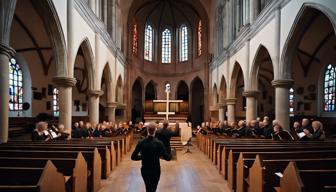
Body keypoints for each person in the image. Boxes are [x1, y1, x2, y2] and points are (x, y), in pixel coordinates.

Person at [131, 123, 171, 192]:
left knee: (148, 188)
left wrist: (143, 157)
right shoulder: (159, 143)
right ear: (155, 130)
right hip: (155, 170)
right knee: (153, 189)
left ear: (147, 130)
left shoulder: (141, 142)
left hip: (145, 169)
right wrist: (170, 153)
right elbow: (167, 158)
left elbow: (133, 157)